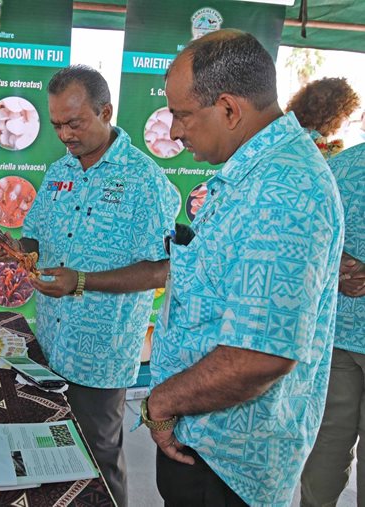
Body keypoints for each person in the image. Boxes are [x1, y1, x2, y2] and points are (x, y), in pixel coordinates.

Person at [134, 30, 343, 507]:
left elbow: (260, 356)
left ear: (229, 109)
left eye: (182, 114)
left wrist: (161, 402)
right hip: (204, 439)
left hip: (228, 462)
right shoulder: (256, 173)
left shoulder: (283, 189)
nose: (174, 131)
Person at [0, 64, 177, 507]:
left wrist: (83, 281)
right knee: (53, 453)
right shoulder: (58, 172)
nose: (65, 135)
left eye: (74, 123)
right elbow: (36, 236)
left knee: (99, 459)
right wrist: (17, 248)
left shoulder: (144, 180)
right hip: (51, 342)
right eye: (56, 125)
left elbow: (162, 269)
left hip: (100, 355)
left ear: (106, 111)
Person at [300, 142, 365, 506]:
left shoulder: (338, 167)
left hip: (336, 332)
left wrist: (340, 269)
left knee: (328, 437)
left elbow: (309, 238)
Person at [286, 77, 360, 159]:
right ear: (333, 117)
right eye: (346, 116)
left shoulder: (288, 132)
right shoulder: (320, 151)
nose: (348, 123)